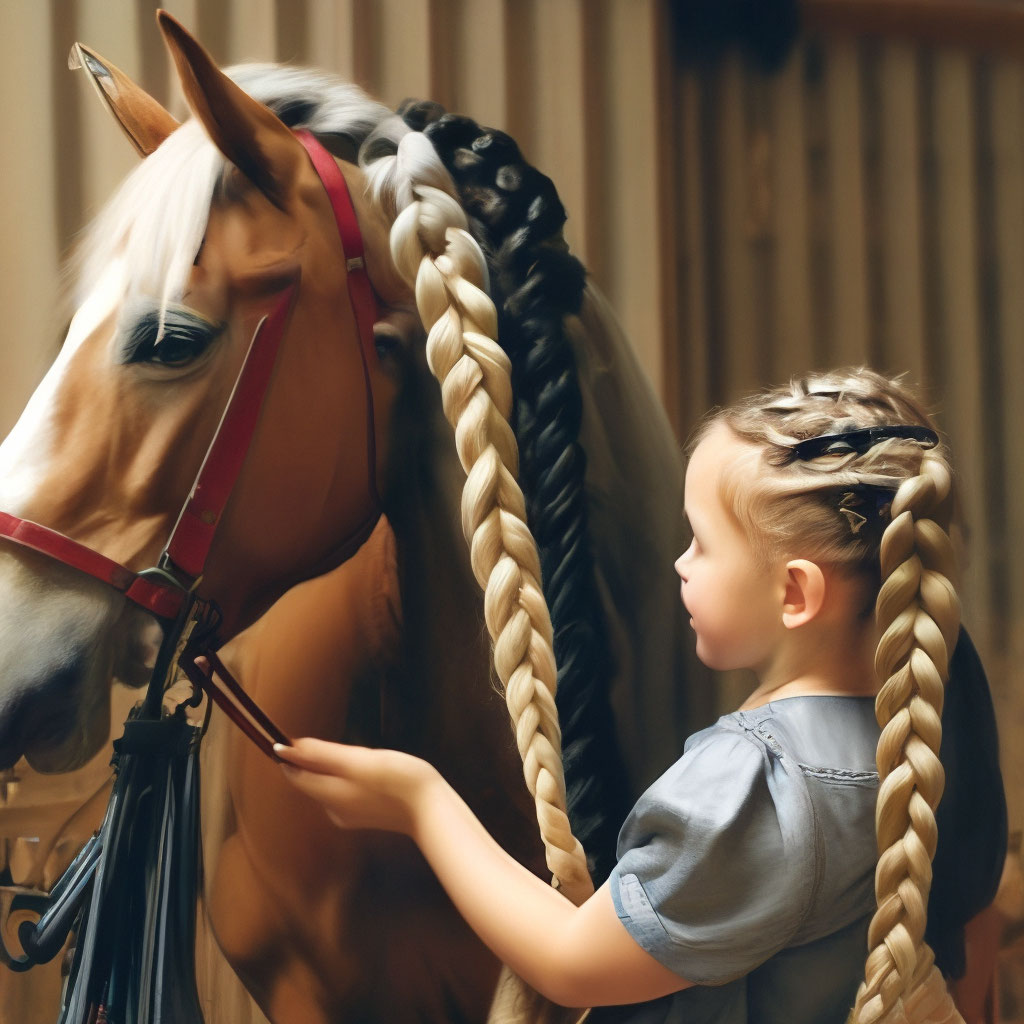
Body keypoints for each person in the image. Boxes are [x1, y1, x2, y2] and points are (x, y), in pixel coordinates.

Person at [274, 368, 1000, 1024]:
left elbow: (569, 963)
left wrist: (421, 803)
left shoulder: (757, 790)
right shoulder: (912, 733)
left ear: (795, 592)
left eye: (703, 543)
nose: (681, 564)